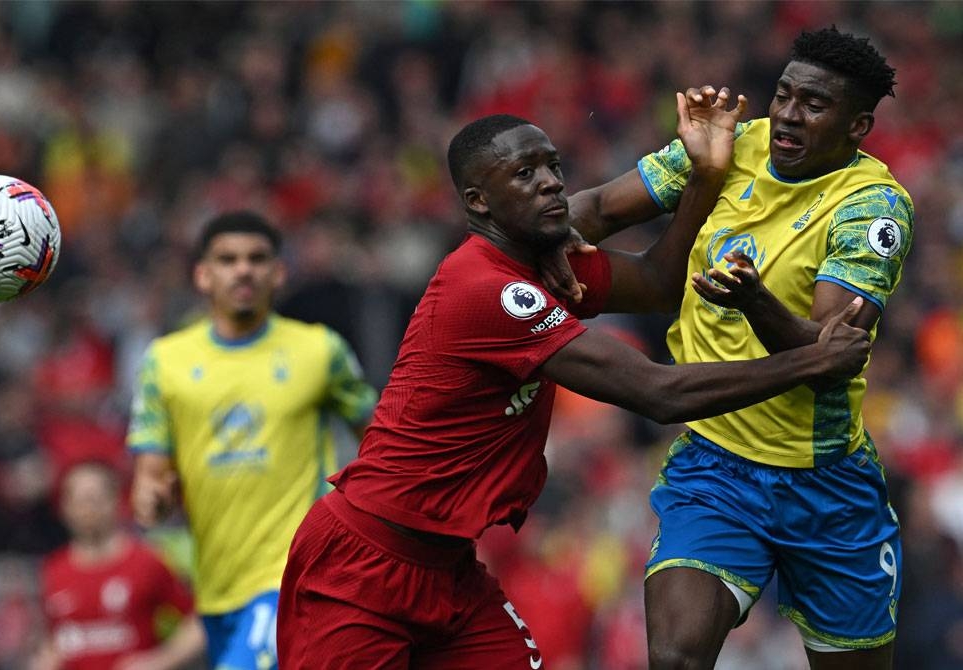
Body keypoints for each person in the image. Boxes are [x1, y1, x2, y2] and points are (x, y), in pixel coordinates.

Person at [275, 85, 872, 667]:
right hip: (363, 566)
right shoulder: (488, 289)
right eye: (524, 174)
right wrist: (811, 360)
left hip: (447, 568)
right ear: (480, 203)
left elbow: (659, 284)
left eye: (553, 166)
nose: (551, 182)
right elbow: (654, 392)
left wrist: (707, 179)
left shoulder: (538, 263)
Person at [552, 26, 912, 670]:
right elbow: (601, 207)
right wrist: (517, 240)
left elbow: (825, 356)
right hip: (716, 469)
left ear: (858, 126)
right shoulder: (729, 148)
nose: (788, 116)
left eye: (814, 105)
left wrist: (754, 300)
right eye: (783, 95)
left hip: (825, 484)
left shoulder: (871, 206)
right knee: (676, 657)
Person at [126, 212, 378, 670]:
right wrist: (153, 498)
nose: (243, 269)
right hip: (217, 589)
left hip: (298, 575)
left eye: (257, 258)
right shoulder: (165, 362)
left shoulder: (319, 351)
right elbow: (149, 479)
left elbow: (380, 440)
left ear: (278, 272)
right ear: (203, 275)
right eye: (228, 259)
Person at [33, 460, 205, 670]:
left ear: (115, 501)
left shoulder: (145, 561)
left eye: (93, 499)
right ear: (65, 508)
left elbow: (199, 621)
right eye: (78, 501)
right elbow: (55, 640)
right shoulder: (54, 570)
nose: (86, 510)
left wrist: (160, 661)